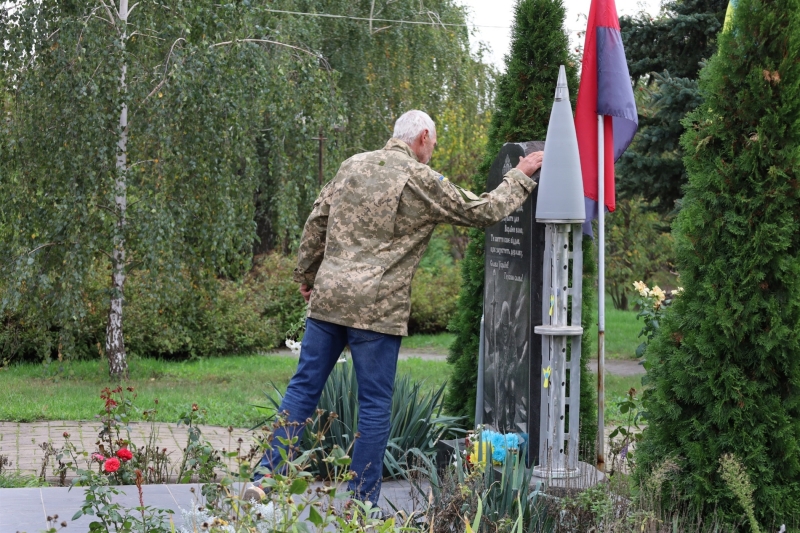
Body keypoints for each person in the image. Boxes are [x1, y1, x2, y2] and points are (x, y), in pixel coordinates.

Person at [246, 110, 543, 506]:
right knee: (373, 405)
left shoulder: (352, 165)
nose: (432, 152)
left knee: (302, 390)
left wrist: (309, 274)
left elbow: (317, 220)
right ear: (422, 137)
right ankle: (360, 503)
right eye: (433, 145)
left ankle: (264, 478)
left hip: (329, 300)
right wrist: (520, 174)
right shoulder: (419, 178)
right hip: (376, 309)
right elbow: (480, 211)